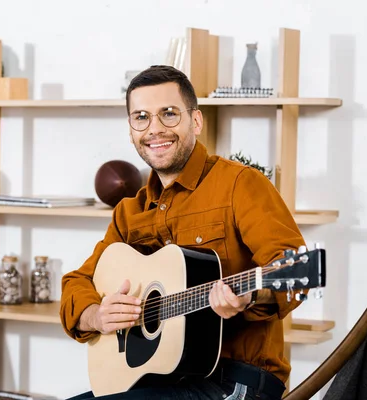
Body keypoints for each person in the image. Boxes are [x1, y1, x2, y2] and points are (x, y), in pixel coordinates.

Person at [60, 65, 306, 400]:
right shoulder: (129, 213)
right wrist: (97, 316)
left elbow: (295, 275)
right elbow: (77, 282)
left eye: (169, 114)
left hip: (234, 380)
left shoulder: (240, 184)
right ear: (131, 129)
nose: (155, 129)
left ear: (196, 121)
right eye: (141, 117)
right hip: (157, 378)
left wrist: (249, 295)